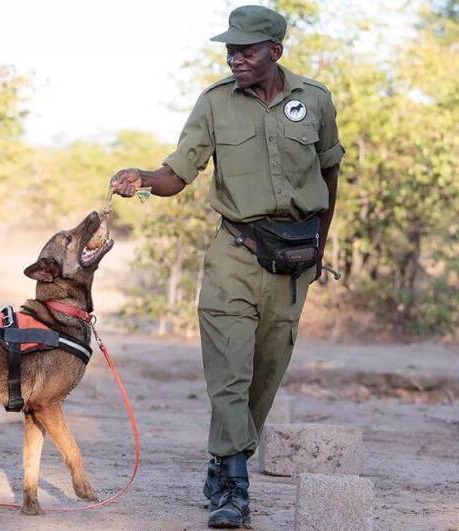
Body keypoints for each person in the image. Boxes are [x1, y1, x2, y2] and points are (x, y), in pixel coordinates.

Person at [110, 5, 344, 528]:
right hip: (234, 254)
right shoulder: (215, 104)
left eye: (247, 50)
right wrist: (142, 178)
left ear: (275, 53)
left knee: (267, 374)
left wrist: (320, 250)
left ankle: (222, 458)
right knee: (229, 374)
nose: (235, 58)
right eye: (230, 50)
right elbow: (178, 173)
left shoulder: (316, 102)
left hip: (293, 260)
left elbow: (330, 175)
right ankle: (234, 488)